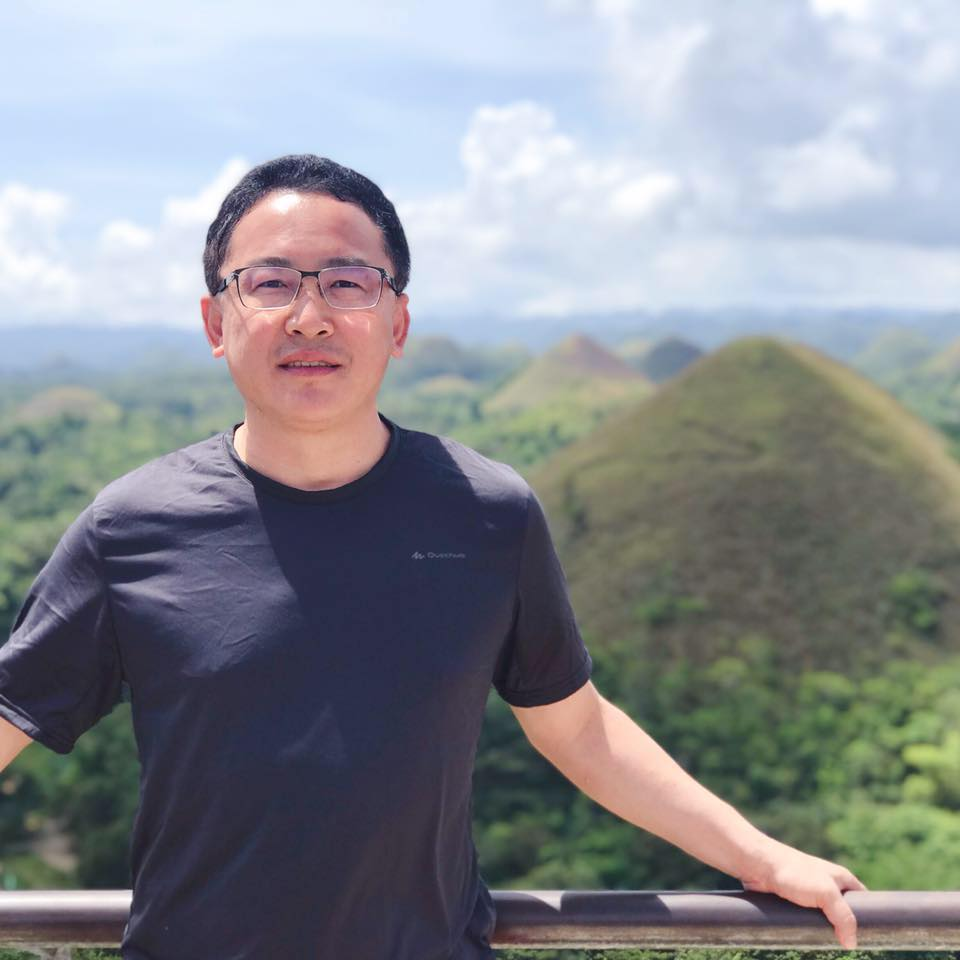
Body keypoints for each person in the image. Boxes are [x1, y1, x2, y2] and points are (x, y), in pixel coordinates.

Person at [0, 154, 864, 959]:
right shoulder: (131, 527)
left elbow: (579, 728)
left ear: (398, 322)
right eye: (270, 283)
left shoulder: (486, 514)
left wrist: (758, 855)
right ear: (215, 322)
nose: (310, 316)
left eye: (348, 282)